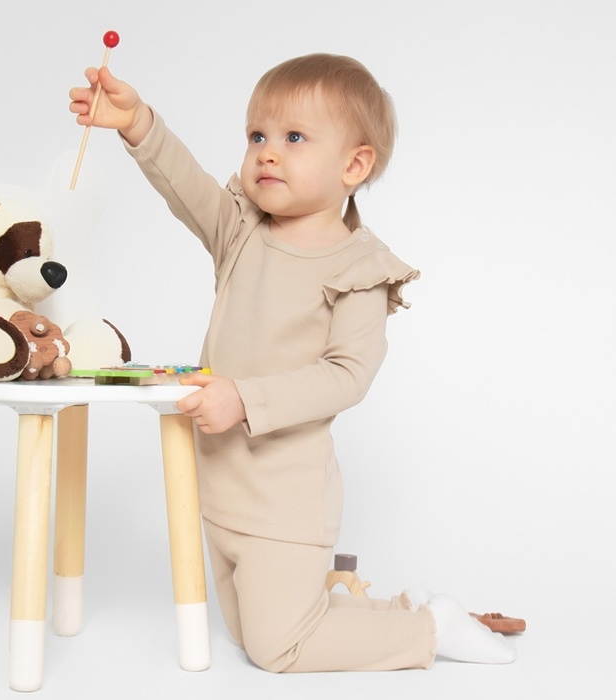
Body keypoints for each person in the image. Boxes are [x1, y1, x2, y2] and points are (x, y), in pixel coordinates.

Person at [69, 53, 517, 671]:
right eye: (257, 136)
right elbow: (185, 184)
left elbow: (347, 375)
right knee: (246, 632)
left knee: (278, 647)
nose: (267, 154)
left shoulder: (359, 269)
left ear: (354, 165)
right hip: (219, 487)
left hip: (285, 500)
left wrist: (244, 398)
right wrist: (137, 122)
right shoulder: (241, 231)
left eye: (294, 138)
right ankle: (390, 606)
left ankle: (429, 630)